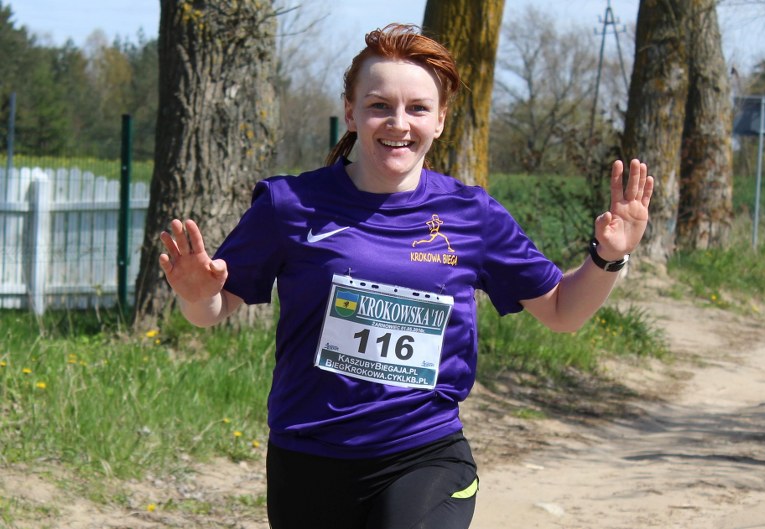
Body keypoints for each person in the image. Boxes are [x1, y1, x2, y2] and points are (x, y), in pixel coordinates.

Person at [158, 23, 654, 529]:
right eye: (379, 106)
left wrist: (608, 258)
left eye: (418, 108)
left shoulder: (473, 215)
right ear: (351, 112)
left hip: (423, 453)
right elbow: (210, 311)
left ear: (440, 120)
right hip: (308, 456)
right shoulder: (290, 206)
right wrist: (196, 295)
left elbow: (563, 311)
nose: (398, 123)